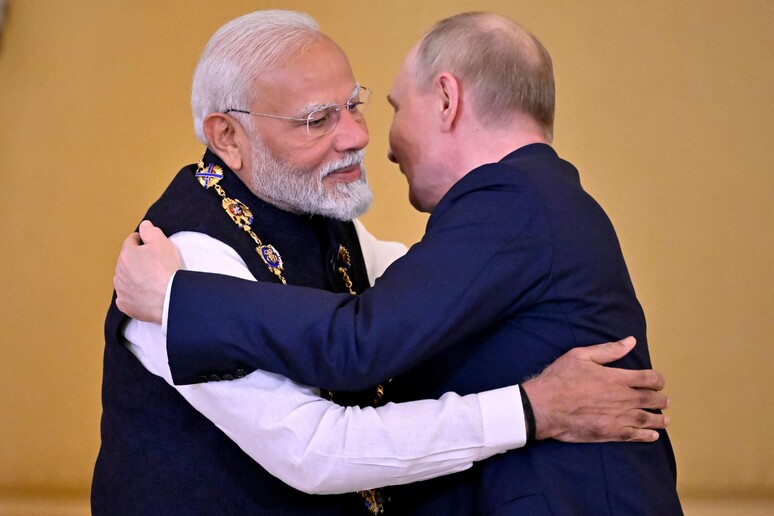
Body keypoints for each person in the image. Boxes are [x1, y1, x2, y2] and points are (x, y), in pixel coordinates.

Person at [103, 10, 674, 516]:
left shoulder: (498, 203)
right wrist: (530, 409)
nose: (359, 136)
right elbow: (318, 448)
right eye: (317, 120)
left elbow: (383, 318)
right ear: (228, 135)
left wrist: (183, 302)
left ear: (448, 100)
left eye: (356, 104)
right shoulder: (182, 252)